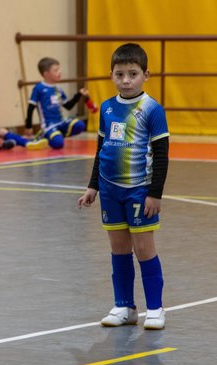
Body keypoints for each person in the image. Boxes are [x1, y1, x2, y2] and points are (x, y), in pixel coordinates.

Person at [77, 43, 169, 330]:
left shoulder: (152, 109)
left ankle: (155, 309)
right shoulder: (106, 108)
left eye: (132, 74)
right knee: (119, 249)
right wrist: (93, 187)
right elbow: (101, 150)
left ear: (146, 75)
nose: (126, 80)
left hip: (139, 190)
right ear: (111, 75)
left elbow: (162, 154)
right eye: (120, 74)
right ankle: (124, 306)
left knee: (144, 249)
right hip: (110, 190)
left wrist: (155, 193)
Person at [24, 57, 95, 149]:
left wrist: (79, 94)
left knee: (80, 125)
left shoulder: (58, 89)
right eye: (56, 70)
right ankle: (45, 135)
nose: (60, 72)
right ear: (46, 74)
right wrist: (28, 126)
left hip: (61, 122)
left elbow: (68, 106)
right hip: (49, 125)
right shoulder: (39, 88)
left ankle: (57, 135)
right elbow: (30, 107)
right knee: (58, 144)